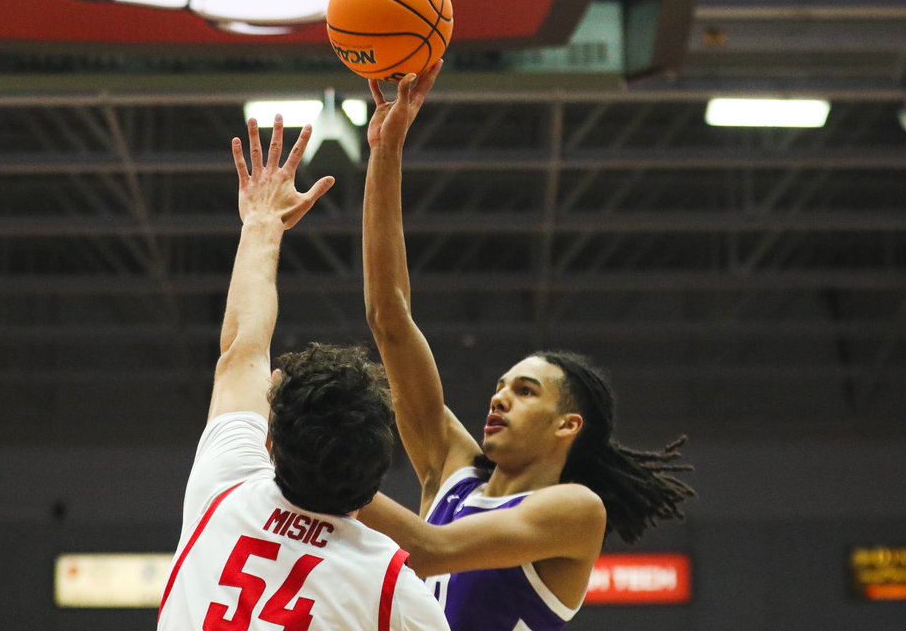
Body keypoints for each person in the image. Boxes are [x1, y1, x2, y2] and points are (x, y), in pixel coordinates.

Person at [358, 64, 696, 631]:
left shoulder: (575, 510)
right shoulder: (451, 472)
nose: (499, 399)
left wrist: (306, 467)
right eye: (499, 387)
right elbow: (389, 319)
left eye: (524, 390)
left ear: (568, 425)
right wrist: (387, 151)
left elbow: (429, 549)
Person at [158, 116, 451, 631]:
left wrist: (262, 224)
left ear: (269, 443)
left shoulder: (223, 491)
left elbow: (241, 351)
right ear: (375, 478)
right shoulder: (393, 589)